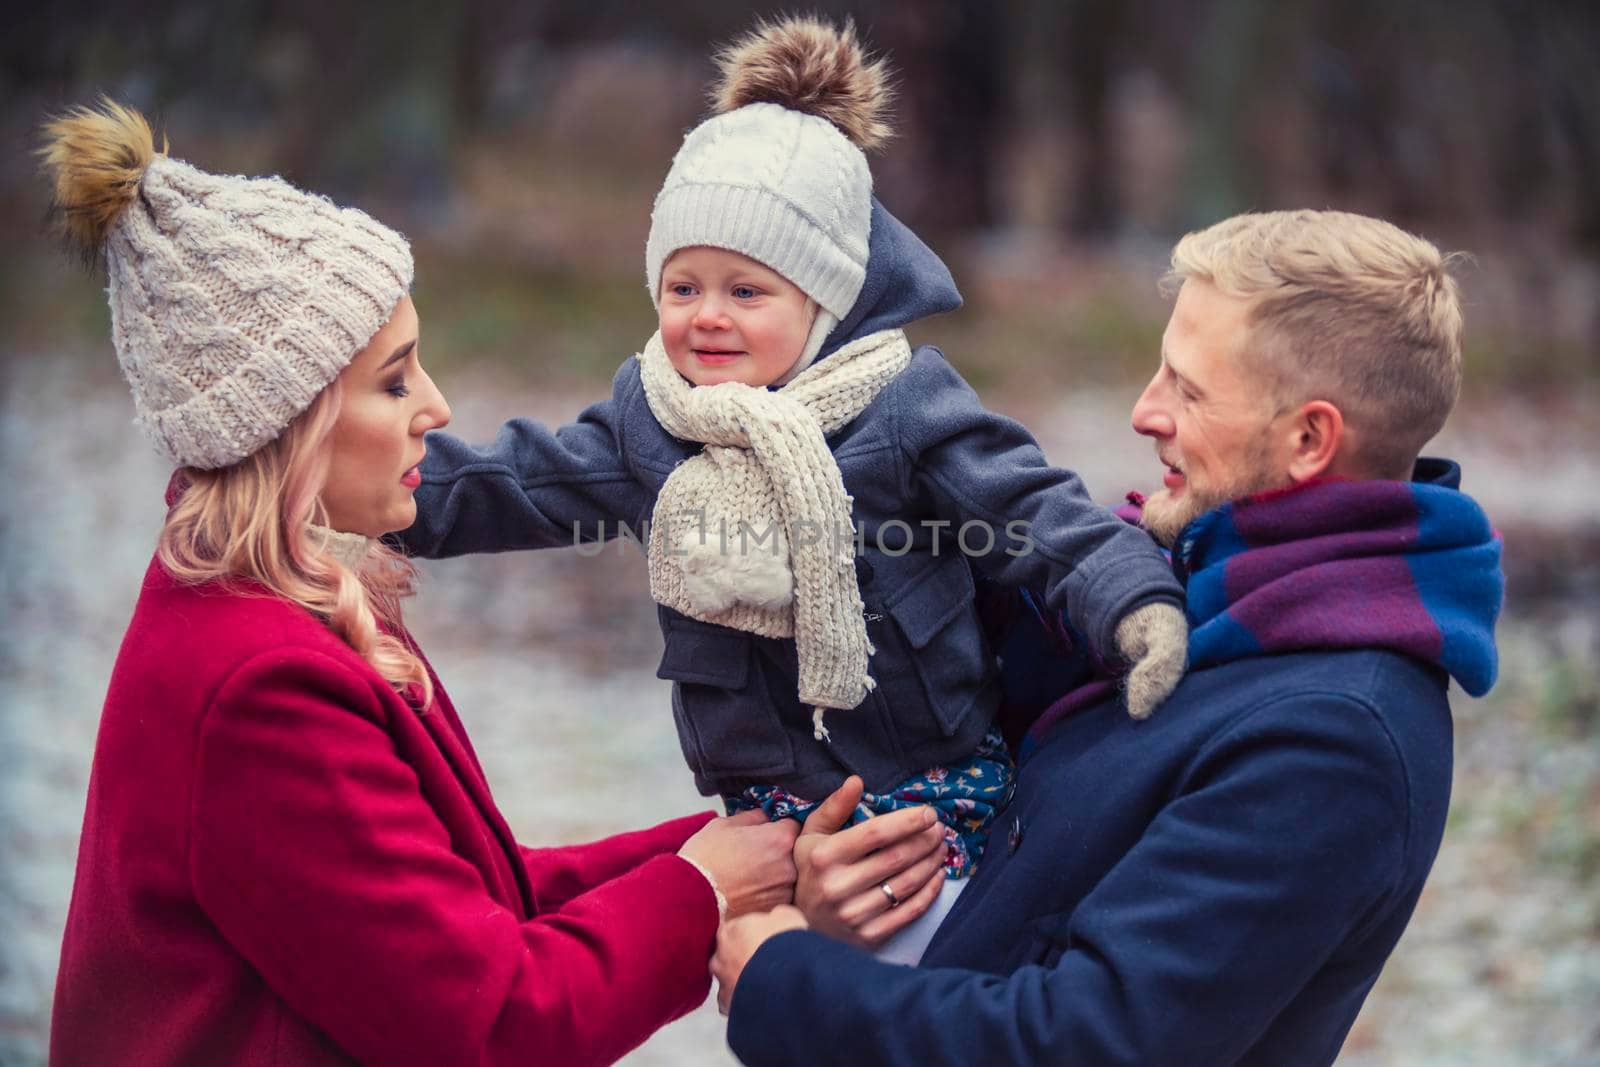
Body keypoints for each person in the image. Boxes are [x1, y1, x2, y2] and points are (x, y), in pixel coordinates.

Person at [399, 16, 1187, 963]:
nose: (707, 319)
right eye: (682, 288)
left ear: (823, 298)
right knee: (794, 1002)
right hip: (770, 814)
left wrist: (1132, 600)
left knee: (926, 991)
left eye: (746, 291)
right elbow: (517, 481)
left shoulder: (903, 409)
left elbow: (1035, 513)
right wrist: (364, 487)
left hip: (933, 794)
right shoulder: (653, 423)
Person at [41, 100, 802, 1067]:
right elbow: (490, 1023)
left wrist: (740, 849)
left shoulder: (288, 596)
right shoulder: (260, 687)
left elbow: (469, 905)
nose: (436, 407)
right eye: (395, 381)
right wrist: (700, 892)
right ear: (290, 421)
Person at [711, 208, 1505, 1067]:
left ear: (1309, 438)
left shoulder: (1335, 737)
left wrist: (787, 982)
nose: (1144, 411)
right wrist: (851, 901)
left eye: (1189, 389)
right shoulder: (1172, 597)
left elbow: (1090, 1041)